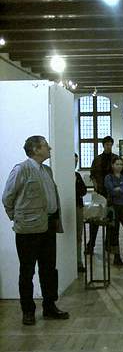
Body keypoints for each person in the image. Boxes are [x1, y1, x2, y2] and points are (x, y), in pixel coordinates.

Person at [2, 135, 69, 325]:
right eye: (46, 146)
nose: (49, 148)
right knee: (27, 271)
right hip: (28, 230)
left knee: (49, 269)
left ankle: (49, 306)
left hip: (48, 226)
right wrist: (18, 218)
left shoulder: (47, 170)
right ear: (35, 149)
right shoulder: (21, 169)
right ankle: (28, 311)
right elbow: (7, 197)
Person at [86, 135, 118, 255]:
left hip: (112, 193)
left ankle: (108, 244)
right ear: (103, 145)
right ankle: (91, 244)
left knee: (110, 219)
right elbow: (92, 174)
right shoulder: (97, 159)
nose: (109, 146)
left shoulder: (115, 158)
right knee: (95, 219)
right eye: (107, 144)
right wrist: (96, 187)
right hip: (100, 193)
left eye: (110, 144)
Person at [75, 153, 87, 273]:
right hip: (69, 207)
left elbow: (83, 190)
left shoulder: (77, 175)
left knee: (79, 236)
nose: (75, 164)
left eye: (76, 162)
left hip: (78, 206)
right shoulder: (64, 175)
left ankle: (79, 261)